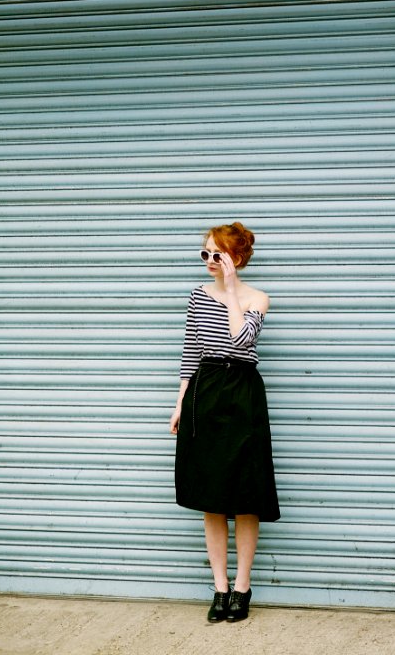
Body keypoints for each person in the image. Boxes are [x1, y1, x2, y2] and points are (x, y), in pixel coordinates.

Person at [170, 221, 280, 623]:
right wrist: (180, 403)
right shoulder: (197, 297)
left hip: (244, 395)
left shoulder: (257, 298)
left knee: (246, 498)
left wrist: (232, 292)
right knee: (212, 500)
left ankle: (242, 587)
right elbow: (190, 352)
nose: (210, 261)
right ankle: (219, 587)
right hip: (206, 392)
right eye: (206, 253)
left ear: (236, 258)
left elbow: (240, 342)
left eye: (217, 254)